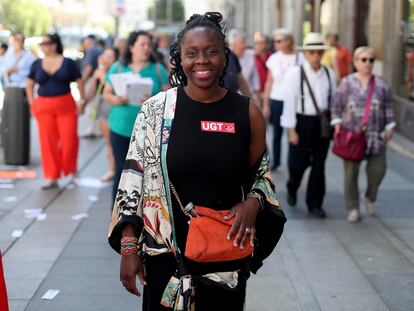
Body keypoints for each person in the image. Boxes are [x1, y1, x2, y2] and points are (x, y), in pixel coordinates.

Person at [108, 12, 280, 310]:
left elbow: (261, 176)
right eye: (192, 53)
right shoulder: (155, 112)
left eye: (211, 52)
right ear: (180, 58)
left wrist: (253, 202)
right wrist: (128, 247)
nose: (202, 61)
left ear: (224, 57)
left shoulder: (247, 113)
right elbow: (132, 180)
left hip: (223, 255)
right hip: (165, 257)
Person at [103, 30, 169, 203]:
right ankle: (117, 213)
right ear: (132, 47)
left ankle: (141, 213)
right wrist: (116, 99)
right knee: (121, 170)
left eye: (149, 45)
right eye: (142, 44)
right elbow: (106, 93)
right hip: (120, 127)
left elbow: (169, 95)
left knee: (146, 172)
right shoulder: (118, 67)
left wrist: (153, 100)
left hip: (148, 129)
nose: (146, 48)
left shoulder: (158, 69)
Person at [331, 46, 395, 222]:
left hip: (376, 135)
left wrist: (390, 126)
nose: (367, 63)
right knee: (351, 174)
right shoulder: (347, 82)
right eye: (364, 59)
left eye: (371, 60)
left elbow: (389, 107)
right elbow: (336, 105)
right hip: (352, 136)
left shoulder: (381, 83)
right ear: (355, 62)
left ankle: (369, 196)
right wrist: (337, 124)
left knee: (378, 170)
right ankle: (353, 208)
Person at [281, 32, 336, 218]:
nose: (316, 56)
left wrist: (334, 123)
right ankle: (292, 186)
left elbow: (334, 101)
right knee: (298, 164)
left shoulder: (329, 74)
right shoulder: (294, 74)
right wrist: (291, 130)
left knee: (319, 166)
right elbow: (289, 103)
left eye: (319, 52)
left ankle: (315, 204)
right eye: (312, 52)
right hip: (301, 121)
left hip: (321, 123)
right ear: (305, 53)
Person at [26, 33, 85, 189]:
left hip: (66, 105)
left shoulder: (68, 62)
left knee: (70, 140)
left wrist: (82, 100)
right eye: (43, 43)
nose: (46, 46)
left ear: (55, 44)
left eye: (49, 43)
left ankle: (71, 169)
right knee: (47, 142)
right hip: (43, 107)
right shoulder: (37, 63)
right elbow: (29, 84)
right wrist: (32, 103)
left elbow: (79, 81)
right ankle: (52, 177)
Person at [262, 28, 303, 171]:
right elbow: (269, 82)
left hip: (294, 101)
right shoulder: (274, 58)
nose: (276, 44)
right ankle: (276, 161)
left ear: (289, 41)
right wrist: (266, 104)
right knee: (276, 134)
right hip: (277, 99)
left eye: (279, 41)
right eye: (275, 41)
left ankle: (295, 161)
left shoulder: (300, 57)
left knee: (294, 131)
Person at [82, 47, 119, 182]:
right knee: (109, 142)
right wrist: (83, 102)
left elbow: (113, 88)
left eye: (110, 56)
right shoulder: (99, 71)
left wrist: (102, 75)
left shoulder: (116, 70)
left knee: (114, 142)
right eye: (105, 55)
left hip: (113, 108)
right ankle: (111, 169)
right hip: (103, 108)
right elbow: (92, 90)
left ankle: (114, 170)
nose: (106, 59)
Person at [0, 32, 34, 165]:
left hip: (22, 89)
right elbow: (4, 69)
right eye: (15, 40)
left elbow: (30, 73)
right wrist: (10, 71)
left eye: (19, 40)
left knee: (20, 121)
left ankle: (20, 153)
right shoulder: (8, 55)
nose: (17, 43)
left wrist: (17, 69)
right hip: (10, 88)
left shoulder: (28, 55)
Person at [228, 29, 260, 104]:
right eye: (242, 42)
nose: (245, 45)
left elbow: (254, 81)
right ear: (233, 44)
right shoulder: (225, 57)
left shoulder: (250, 55)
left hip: (246, 99)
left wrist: (256, 101)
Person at [253, 32, 272, 106]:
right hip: (255, 94)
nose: (258, 45)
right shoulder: (251, 57)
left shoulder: (272, 57)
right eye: (256, 43)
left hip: (269, 94)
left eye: (261, 43)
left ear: (267, 44)